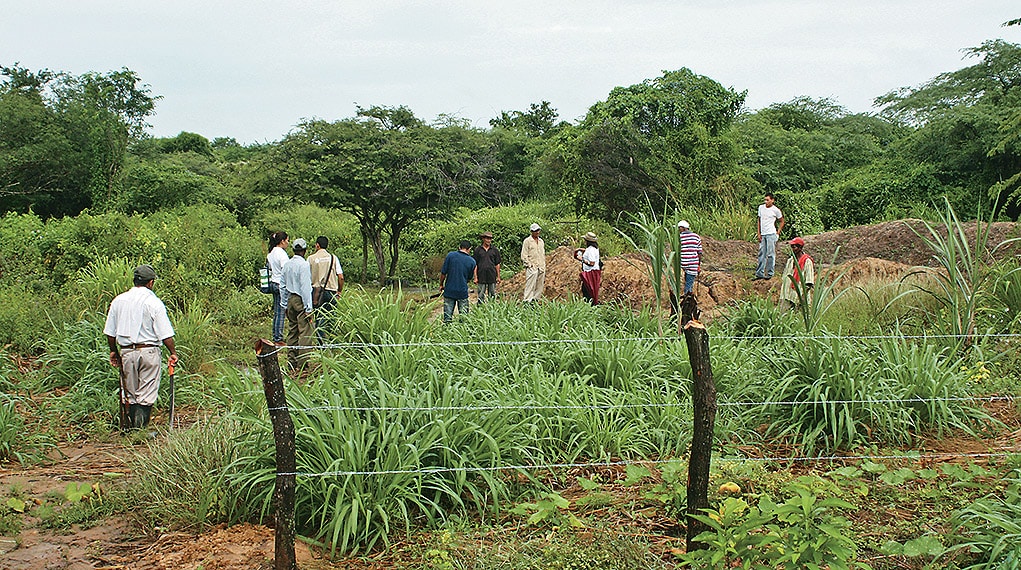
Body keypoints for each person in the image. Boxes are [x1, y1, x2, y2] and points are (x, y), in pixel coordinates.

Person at [104, 264, 178, 430]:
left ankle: (130, 429)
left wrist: (113, 351)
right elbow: (165, 334)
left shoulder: (118, 301)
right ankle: (140, 429)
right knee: (146, 393)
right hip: (149, 351)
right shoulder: (154, 302)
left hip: (127, 352)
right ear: (151, 283)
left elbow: (110, 333)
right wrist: (172, 353)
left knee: (129, 393)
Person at [279, 238, 314, 372]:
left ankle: (291, 361)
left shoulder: (287, 264)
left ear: (293, 250)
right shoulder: (304, 265)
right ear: (304, 251)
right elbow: (305, 288)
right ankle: (303, 363)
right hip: (300, 299)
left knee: (292, 331)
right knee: (305, 331)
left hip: (290, 299)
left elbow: (282, 285)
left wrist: (284, 304)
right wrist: (308, 308)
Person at [308, 236, 344, 343]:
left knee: (319, 315)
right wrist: (339, 291)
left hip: (316, 291)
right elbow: (341, 276)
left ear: (317, 245)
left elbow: (306, 276)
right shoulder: (333, 258)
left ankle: (321, 341)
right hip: (331, 290)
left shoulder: (310, 258)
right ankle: (333, 339)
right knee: (332, 315)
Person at [439, 240, 477, 323]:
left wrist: (441, 285)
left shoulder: (450, 256)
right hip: (462, 291)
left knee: (447, 317)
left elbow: (443, 273)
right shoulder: (472, 261)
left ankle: (447, 332)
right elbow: (469, 278)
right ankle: (462, 333)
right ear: (469, 249)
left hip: (449, 290)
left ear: (459, 247)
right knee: (464, 318)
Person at [778, 237, 815, 312]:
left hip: (799, 296)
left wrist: (802, 298)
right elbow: (785, 277)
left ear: (800, 248)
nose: (792, 249)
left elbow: (809, 282)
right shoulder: (790, 261)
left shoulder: (807, 262)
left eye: (794, 247)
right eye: (791, 247)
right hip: (787, 294)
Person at [755, 193, 785, 280]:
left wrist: (778, 232)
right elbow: (759, 220)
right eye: (765, 200)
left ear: (772, 200)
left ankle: (770, 273)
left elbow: (782, 221)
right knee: (761, 253)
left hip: (771, 233)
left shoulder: (775, 210)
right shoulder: (761, 208)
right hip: (763, 233)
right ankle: (759, 273)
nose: (766, 202)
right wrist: (759, 233)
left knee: (771, 254)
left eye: (768, 200)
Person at [267, 231, 290, 344]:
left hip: (273, 282)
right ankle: (278, 338)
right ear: (282, 241)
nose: (288, 243)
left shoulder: (271, 253)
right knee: (281, 311)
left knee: (277, 311)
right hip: (280, 284)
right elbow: (286, 270)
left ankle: (275, 335)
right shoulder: (281, 253)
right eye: (287, 240)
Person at [520, 223, 546, 302]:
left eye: (538, 230)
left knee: (539, 285)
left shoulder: (541, 241)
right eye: (535, 231)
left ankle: (536, 300)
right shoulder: (527, 241)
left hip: (541, 266)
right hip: (532, 266)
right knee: (530, 285)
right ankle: (527, 300)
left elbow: (542, 254)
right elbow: (524, 255)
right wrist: (529, 264)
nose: (537, 232)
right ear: (531, 231)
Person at [473, 231, 501, 303]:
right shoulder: (478, 250)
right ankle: (480, 309)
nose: (489, 240)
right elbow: (475, 264)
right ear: (483, 239)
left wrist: (498, 276)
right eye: (487, 238)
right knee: (481, 293)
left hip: (492, 274)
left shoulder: (495, 250)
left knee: (492, 293)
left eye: (490, 239)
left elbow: (497, 264)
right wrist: (475, 277)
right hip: (481, 274)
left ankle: (492, 308)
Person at [574, 232, 601, 304]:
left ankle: (590, 306)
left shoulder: (591, 250)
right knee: (590, 290)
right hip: (593, 272)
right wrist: (582, 250)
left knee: (588, 291)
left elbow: (592, 263)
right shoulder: (594, 248)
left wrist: (581, 259)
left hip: (590, 273)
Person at [678, 220, 703, 294]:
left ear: (683, 228)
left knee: (688, 284)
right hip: (692, 263)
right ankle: (688, 299)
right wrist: (698, 265)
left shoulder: (680, 237)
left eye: (680, 228)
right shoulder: (696, 237)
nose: (679, 230)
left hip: (682, 263)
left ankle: (687, 301)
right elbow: (700, 252)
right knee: (689, 284)